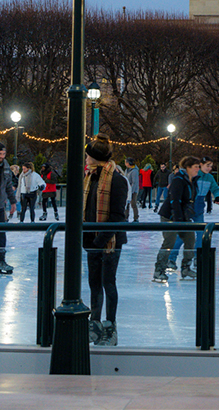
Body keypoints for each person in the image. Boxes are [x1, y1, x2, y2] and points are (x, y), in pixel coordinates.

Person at [82, 134, 128, 346]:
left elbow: (118, 216)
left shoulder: (117, 180)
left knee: (108, 282)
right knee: (94, 283)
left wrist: (99, 240)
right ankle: (95, 323)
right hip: (92, 241)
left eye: (87, 155)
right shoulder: (89, 178)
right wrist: (87, 239)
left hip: (110, 242)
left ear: (94, 157)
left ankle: (110, 325)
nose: (85, 159)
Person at [168, 157, 219, 270]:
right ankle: (171, 258)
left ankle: (198, 257)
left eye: (211, 166)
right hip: (188, 206)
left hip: (199, 208)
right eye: (207, 165)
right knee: (182, 234)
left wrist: (217, 196)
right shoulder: (193, 175)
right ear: (200, 165)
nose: (209, 168)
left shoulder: (209, 177)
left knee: (201, 234)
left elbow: (216, 188)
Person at [153, 156, 201, 282]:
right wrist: (178, 219)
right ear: (188, 167)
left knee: (190, 239)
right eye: (196, 167)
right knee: (169, 241)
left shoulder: (192, 180)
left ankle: (186, 268)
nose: (198, 169)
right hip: (170, 216)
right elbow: (174, 200)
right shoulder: (178, 179)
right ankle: (159, 270)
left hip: (183, 217)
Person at [0, 144, 17, 274]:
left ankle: (1, 260)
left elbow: (8, 185)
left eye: (3, 154)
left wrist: (13, 202)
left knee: (1, 233)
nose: (1, 157)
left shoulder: (5, 166)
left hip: (0, 206)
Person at [124, 158, 140, 222]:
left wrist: (132, 192)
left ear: (128, 163)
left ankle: (136, 218)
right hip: (127, 190)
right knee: (126, 204)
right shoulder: (126, 170)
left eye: (125, 162)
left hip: (133, 191)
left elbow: (134, 182)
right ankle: (126, 217)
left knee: (133, 204)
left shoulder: (134, 171)